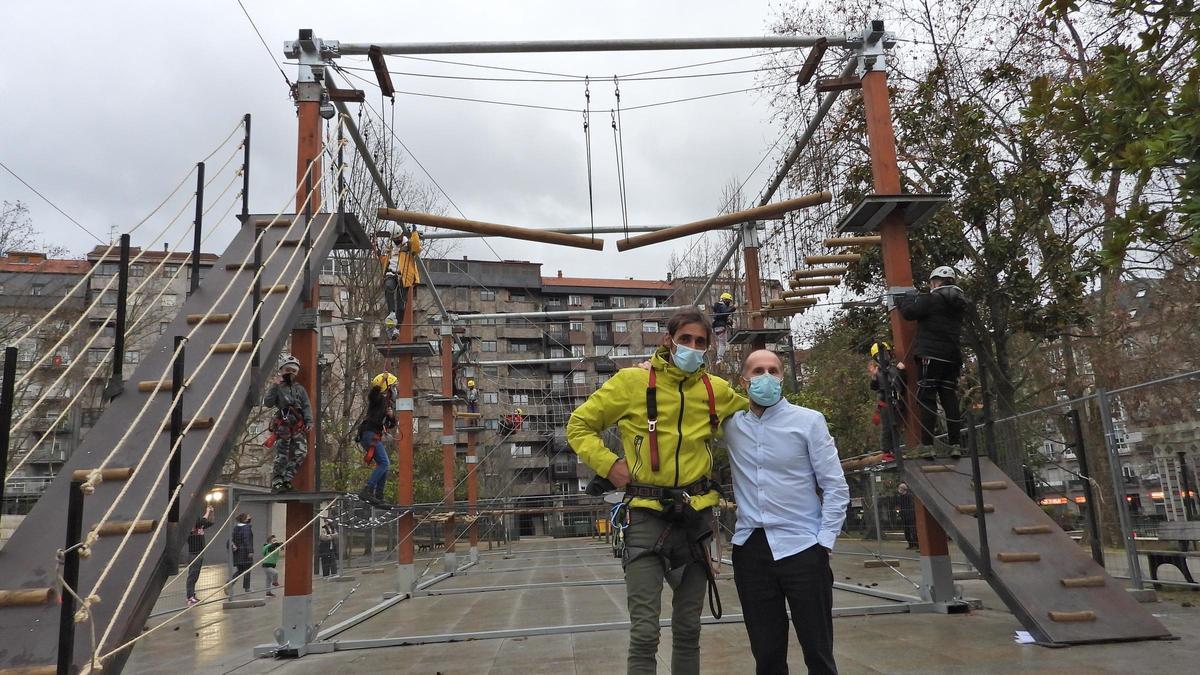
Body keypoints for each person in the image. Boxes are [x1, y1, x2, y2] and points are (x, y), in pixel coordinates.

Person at [568, 309, 747, 674]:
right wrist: (608, 465)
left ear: (708, 348)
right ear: (668, 340)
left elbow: (759, 419)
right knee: (646, 631)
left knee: (688, 627)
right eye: (685, 339)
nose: (692, 347)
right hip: (646, 517)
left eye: (700, 342)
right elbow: (579, 425)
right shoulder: (632, 382)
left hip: (696, 520)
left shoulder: (716, 390)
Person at [724, 349, 849, 675]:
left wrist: (824, 541)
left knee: (819, 653)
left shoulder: (809, 422)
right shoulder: (731, 426)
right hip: (751, 550)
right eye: (757, 371)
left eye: (773, 371)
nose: (766, 377)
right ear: (744, 381)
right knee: (766, 656)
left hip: (803, 547)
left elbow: (836, 486)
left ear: (782, 377)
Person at [896, 265, 968, 458]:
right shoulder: (959, 302)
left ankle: (927, 445)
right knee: (949, 398)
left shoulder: (932, 298)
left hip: (930, 355)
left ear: (936, 282)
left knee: (926, 398)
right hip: (952, 357)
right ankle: (955, 444)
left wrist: (904, 300)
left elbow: (910, 313)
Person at [264, 355, 312, 493]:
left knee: (301, 452)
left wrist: (309, 421)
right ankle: (277, 480)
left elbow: (306, 405)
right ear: (282, 370)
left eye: (294, 371)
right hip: (283, 425)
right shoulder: (278, 387)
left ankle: (287, 478)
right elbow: (268, 403)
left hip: (297, 425)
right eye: (288, 369)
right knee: (282, 454)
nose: (290, 373)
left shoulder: (299, 389)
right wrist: (275, 385)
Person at [359, 372, 397, 504]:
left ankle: (379, 495)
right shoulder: (378, 399)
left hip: (373, 435)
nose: (394, 389)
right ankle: (368, 489)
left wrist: (391, 416)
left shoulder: (386, 404)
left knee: (384, 464)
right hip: (369, 433)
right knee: (385, 463)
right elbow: (372, 395)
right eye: (392, 386)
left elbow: (390, 424)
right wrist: (382, 382)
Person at [867, 341, 906, 461]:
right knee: (887, 428)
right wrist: (874, 376)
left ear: (889, 354)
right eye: (879, 355)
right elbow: (873, 387)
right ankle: (886, 452)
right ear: (876, 358)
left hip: (896, 403)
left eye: (885, 354)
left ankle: (896, 450)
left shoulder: (894, 369)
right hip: (885, 404)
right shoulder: (878, 372)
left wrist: (902, 371)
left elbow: (903, 384)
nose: (883, 357)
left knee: (896, 427)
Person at [382, 228, 422, 340]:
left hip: (403, 276)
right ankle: (391, 313)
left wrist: (414, 233)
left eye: (397, 238)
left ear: (401, 235)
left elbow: (417, 248)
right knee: (389, 286)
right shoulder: (390, 248)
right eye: (394, 239)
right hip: (391, 273)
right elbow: (385, 261)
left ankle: (397, 328)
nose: (396, 241)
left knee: (401, 306)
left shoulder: (408, 245)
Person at [185, 504, 215, 605]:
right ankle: (189, 597)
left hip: (200, 552)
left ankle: (192, 595)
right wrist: (207, 511)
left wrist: (211, 512)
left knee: (195, 576)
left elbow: (210, 522)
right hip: (193, 553)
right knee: (192, 575)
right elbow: (201, 521)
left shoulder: (200, 525)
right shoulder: (191, 526)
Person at [230, 512, 254, 594]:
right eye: (249, 516)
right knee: (247, 569)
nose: (250, 517)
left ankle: (230, 583)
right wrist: (250, 551)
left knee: (240, 570)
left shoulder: (236, 527)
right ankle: (247, 588)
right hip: (245, 553)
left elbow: (232, 539)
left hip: (237, 553)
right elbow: (247, 540)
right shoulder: (247, 528)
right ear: (245, 519)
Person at [712, 292, 736, 362]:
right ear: (724, 300)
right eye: (728, 300)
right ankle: (719, 358)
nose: (729, 303)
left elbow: (722, 316)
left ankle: (719, 357)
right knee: (722, 344)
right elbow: (725, 313)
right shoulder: (722, 306)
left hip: (718, 327)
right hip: (720, 327)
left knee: (721, 343)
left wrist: (728, 322)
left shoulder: (718, 307)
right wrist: (733, 308)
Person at [897, 483, 918, 549]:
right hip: (904, 516)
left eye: (900, 488)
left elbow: (911, 505)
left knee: (913, 531)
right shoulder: (901, 497)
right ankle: (911, 544)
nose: (899, 489)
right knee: (907, 531)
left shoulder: (909, 496)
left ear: (903, 489)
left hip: (910, 516)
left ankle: (916, 544)